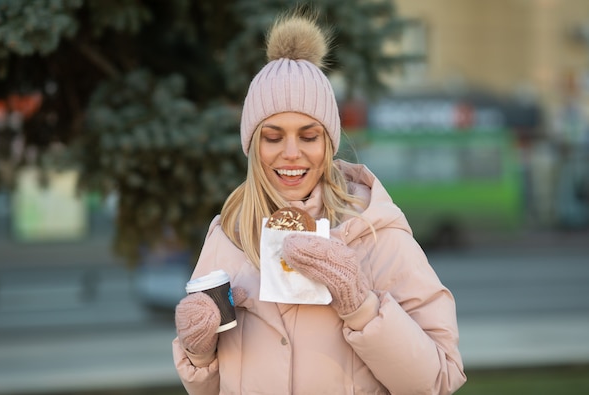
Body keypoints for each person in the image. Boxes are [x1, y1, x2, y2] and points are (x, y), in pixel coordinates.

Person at [172, 10, 467, 395]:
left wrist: (361, 306)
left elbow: (438, 381)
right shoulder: (227, 237)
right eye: (273, 137)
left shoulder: (376, 234)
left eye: (308, 136)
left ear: (328, 145)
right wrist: (198, 353)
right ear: (252, 145)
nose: (291, 153)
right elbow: (211, 389)